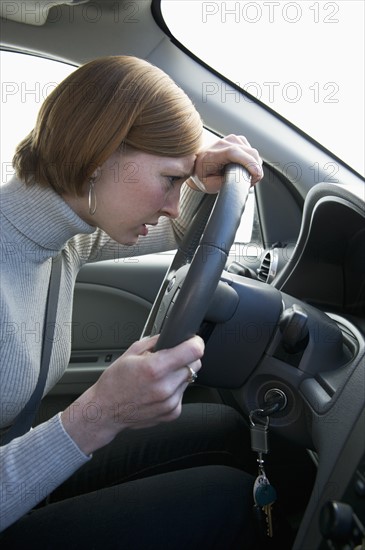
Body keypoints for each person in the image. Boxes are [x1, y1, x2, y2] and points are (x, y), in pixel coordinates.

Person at [0, 55, 263, 548]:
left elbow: (181, 227)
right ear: (100, 155)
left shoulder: (63, 235)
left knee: (224, 428)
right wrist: (99, 412)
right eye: (168, 181)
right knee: (226, 499)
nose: (171, 201)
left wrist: (196, 175)